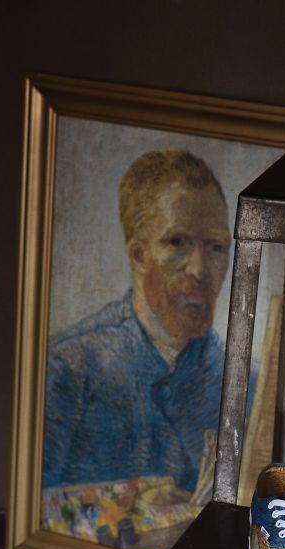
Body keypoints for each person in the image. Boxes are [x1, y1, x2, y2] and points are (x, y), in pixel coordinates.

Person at [42, 149, 231, 501]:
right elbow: (29, 501)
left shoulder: (239, 379)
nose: (199, 270)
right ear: (139, 255)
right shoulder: (67, 367)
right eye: (177, 242)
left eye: (217, 248)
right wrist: (130, 505)